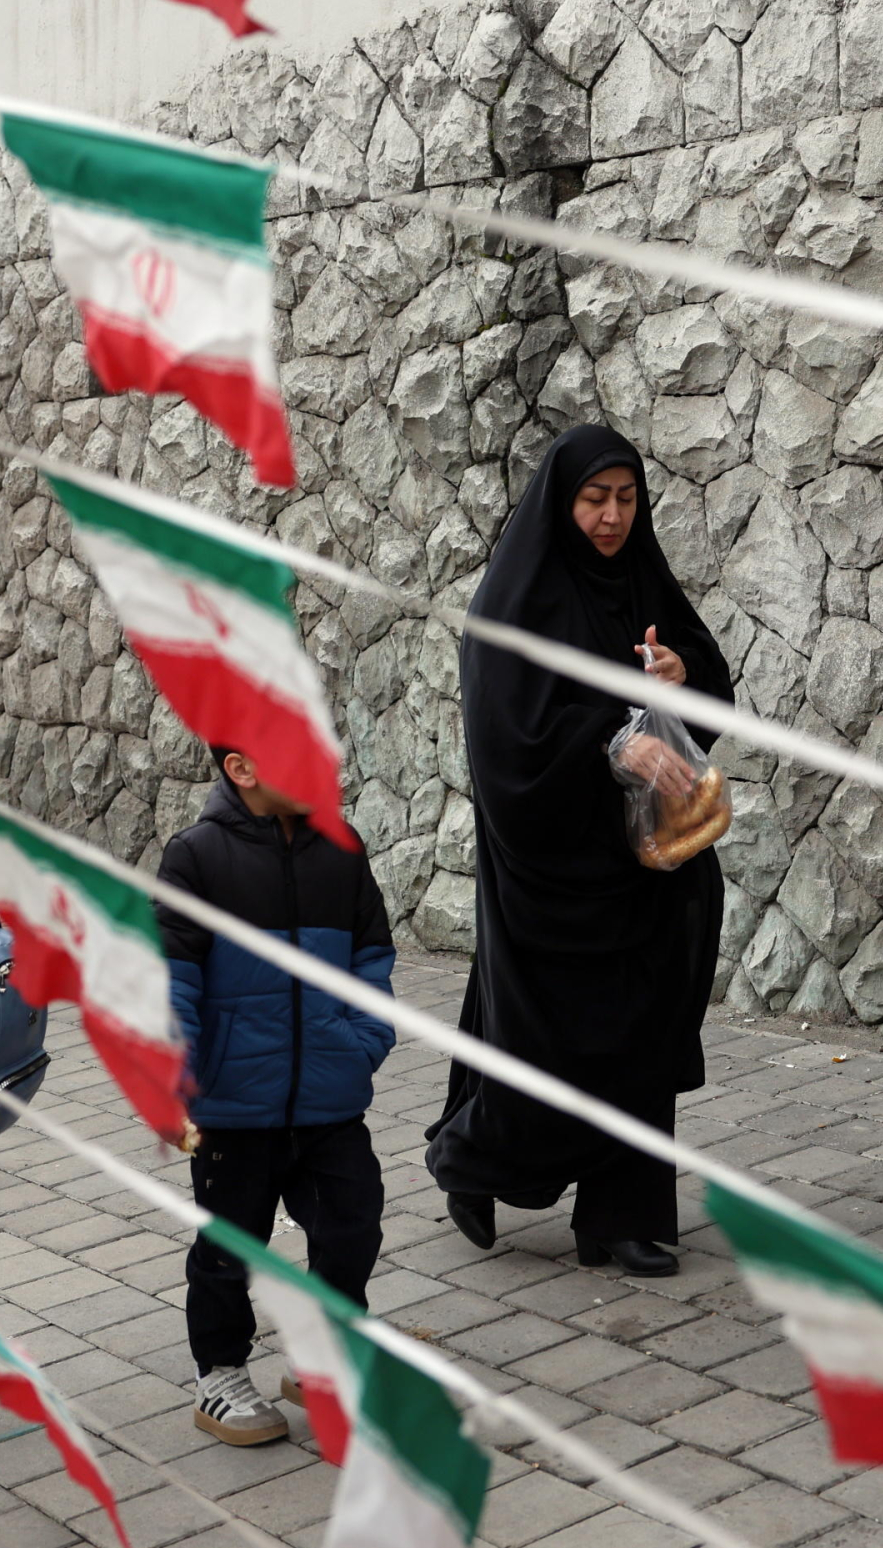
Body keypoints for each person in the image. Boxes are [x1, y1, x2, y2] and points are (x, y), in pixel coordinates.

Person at [425, 424, 733, 1279]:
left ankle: (623, 1216)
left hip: (644, 865)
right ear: (561, 502)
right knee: (550, 1049)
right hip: (550, 862)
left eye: (626, 499)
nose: (611, 518)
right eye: (595, 500)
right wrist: (608, 742)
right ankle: (469, 1156)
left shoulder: (641, 581)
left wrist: (681, 679)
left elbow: (712, 690)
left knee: (642, 1032)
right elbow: (506, 737)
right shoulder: (514, 603)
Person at [154, 746, 397, 1448]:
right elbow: (172, 980)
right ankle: (221, 1372)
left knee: (353, 1223)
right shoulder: (196, 858)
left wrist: (362, 1041)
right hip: (234, 1108)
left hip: (330, 1097)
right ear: (243, 768)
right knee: (230, 1245)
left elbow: (372, 960)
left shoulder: (343, 854)